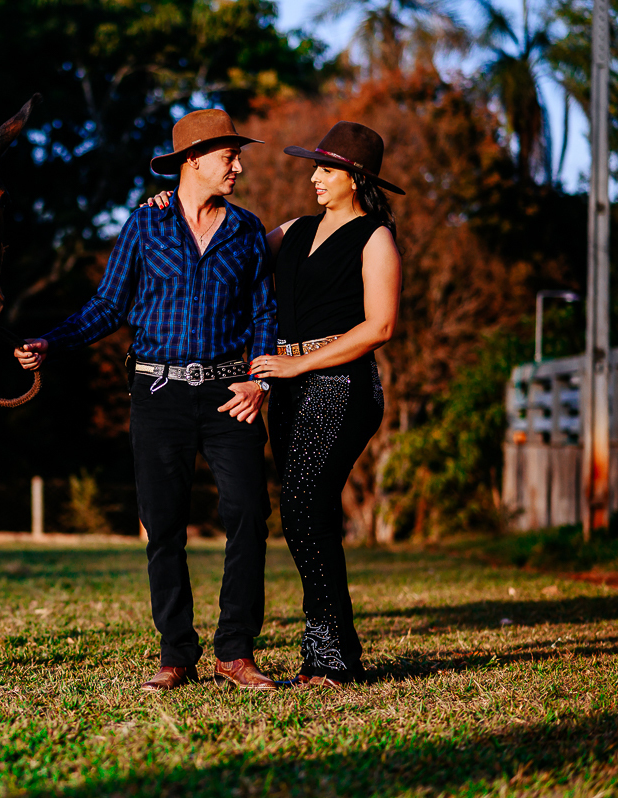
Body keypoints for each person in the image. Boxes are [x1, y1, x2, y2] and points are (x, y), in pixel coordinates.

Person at [14, 109, 279, 692]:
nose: (237, 166)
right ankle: (176, 653)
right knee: (163, 526)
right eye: (228, 156)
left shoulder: (247, 230)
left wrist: (260, 382)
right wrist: (51, 342)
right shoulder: (145, 224)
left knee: (248, 516)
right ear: (193, 161)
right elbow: (109, 304)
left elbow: (265, 314)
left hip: (230, 394)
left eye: (237, 157)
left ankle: (236, 652)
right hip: (158, 393)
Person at [249, 121, 403, 688]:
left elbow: (379, 326)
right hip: (288, 386)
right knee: (306, 512)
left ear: (355, 179)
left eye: (327, 169)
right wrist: (174, 208)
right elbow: (234, 251)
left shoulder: (375, 238)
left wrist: (299, 364)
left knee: (303, 508)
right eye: (315, 167)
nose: (315, 177)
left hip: (341, 384)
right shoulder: (293, 230)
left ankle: (331, 653)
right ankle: (336, 649)